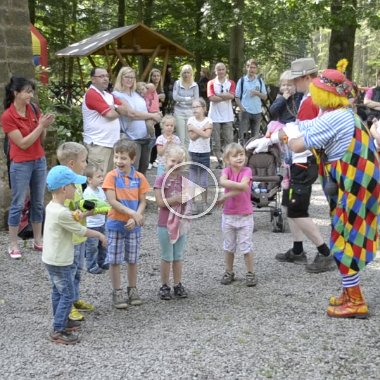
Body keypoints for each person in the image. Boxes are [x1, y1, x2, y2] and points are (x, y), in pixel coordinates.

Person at [285, 69, 380, 318]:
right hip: (356, 183)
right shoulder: (342, 113)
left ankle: (356, 300)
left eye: (316, 91)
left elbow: (297, 144)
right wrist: (292, 127)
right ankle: (349, 292)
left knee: (345, 235)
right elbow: (308, 125)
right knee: (344, 233)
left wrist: (280, 135)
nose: (312, 95)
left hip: (354, 186)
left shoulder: (336, 117)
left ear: (324, 94)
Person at [249, 58, 334, 274]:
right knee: (288, 206)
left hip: (304, 161)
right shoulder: (308, 97)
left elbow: (298, 132)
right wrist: (271, 138)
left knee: (296, 210)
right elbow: (295, 127)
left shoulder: (310, 100)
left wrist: (270, 140)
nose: (293, 84)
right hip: (298, 160)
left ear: (307, 77)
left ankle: (325, 253)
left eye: (296, 79)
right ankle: (298, 250)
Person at [43, 165, 106, 345]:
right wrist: (100, 235)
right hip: (61, 261)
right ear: (64, 188)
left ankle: (61, 320)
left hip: (51, 259)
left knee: (57, 291)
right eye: (73, 185)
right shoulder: (62, 213)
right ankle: (58, 330)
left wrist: (76, 213)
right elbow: (81, 230)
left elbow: (69, 218)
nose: (76, 189)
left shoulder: (53, 207)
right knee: (68, 294)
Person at [1, 76, 55, 259]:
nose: (30, 96)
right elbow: (23, 143)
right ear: (15, 93)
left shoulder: (33, 108)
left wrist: (44, 125)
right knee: (17, 204)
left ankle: (38, 240)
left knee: (38, 202)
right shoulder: (8, 116)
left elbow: (40, 139)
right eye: (27, 92)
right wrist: (41, 126)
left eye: (31, 92)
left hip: (39, 160)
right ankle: (13, 243)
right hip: (21, 163)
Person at [103, 139, 150, 309]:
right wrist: (133, 214)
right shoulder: (111, 176)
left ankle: (132, 289)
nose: (118, 161)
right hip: (115, 223)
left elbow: (143, 201)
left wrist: (136, 216)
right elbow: (111, 200)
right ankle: (117, 291)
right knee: (114, 260)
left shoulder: (140, 178)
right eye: (116, 157)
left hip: (133, 225)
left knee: (132, 259)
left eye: (123, 158)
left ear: (132, 159)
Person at [56, 142, 94, 322]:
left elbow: (76, 204)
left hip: (79, 237)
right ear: (72, 163)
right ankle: (68, 304)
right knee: (69, 273)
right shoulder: (64, 186)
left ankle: (75, 297)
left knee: (78, 270)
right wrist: (88, 212)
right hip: (69, 239)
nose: (86, 164)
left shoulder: (77, 182)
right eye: (84, 161)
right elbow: (68, 216)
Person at [82, 67, 135, 176]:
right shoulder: (92, 94)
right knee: (98, 181)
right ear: (93, 79)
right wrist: (117, 109)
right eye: (101, 76)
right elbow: (109, 115)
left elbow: (128, 110)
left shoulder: (108, 95)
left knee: (110, 181)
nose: (106, 79)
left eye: (106, 76)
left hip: (111, 144)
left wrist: (114, 107)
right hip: (98, 144)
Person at [217, 143, 257, 287]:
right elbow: (228, 183)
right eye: (235, 155)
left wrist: (225, 194)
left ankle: (250, 273)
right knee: (228, 246)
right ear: (227, 159)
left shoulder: (247, 170)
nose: (239, 158)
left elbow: (243, 187)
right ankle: (229, 271)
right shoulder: (226, 170)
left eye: (241, 154)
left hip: (245, 215)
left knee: (246, 246)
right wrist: (238, 185)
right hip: (228, 215)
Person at [154, 144, 190, 300]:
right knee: (167, 256)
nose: (175, 165)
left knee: (178, 255)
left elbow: (189, 201)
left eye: (179, 162)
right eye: (172, 161)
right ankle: (164, 285)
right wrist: (176, 199)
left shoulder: (184, 180)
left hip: (181, 223)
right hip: (165, 223)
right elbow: (160, 203)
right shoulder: (161, 179)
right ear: (165, 160)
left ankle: (177, 284)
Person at [112, 66, 161, 174]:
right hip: (132, 138)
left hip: (146, 137)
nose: (130, 79)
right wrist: (152, 115)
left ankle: (140, 191)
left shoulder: (137, 94)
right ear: (121, 78)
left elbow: (149, 107)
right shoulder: (117, 95)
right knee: (132, 171)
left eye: (132, 77)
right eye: (127, 77)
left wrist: (155, 116)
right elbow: (131, 114)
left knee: (142, 172)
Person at [207, 63, 236, 169]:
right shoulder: (211, 83)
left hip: (227, 116)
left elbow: (232, 96)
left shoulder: (231, 83)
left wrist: (218, 95)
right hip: (214, 116)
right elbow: (211, 98)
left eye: (223, 69)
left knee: (229, 139)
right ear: (215, 71)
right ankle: (219, 160)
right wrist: (225, 96)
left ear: (226, 70)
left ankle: (228, 160)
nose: (221, 71)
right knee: (216, 141)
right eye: (219, 70)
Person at [187, 98, 213, 214]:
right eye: (193, 107)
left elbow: (207, 135)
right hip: (193, 152)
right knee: (192, 180)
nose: (194, 109)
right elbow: (192, 137)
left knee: (203, 181)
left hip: (205, 153)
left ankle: (204, 203)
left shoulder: (209, 120)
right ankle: (191, 204)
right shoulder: (190, 120)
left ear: (204, 108)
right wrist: (202, 128)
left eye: (197, 107)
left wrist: (196, 129)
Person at [83, 163, 109, 274]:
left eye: (102, 176)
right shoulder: (88, 193)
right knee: (92, 246)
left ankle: (102, 261)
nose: (102, 179)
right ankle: (91, 265)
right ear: (89, 179)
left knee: (102, 244)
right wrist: (104, 209)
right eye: (98, 177)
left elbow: (105, 203)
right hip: (91, 225)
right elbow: (89, 210)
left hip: (101, 222)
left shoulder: (100, 190)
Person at [235, 59, 268, 144]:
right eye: (250, 67)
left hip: (257, 112)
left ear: (256, 69)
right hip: (245, 111)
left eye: (254, 68)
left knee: (255, 137)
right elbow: (236, 97)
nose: (252, 69)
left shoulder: (260, 81)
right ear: (247, 68)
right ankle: (242, 152)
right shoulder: (242, 80)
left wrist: (257, 93)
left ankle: (252, 155)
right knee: (243, 136)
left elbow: (265, 97)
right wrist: (242, 108)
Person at [173, 64, 199, 148]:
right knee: (181, 138)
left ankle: (187, 159)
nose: (186, 74)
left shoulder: (195, 85)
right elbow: (175, 97)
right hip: (179, 113)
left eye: (188, 72)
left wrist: (182, 100)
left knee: (188, 138)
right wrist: (188, 99)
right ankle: (181, 159)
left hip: (190, 113)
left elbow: (196, 100)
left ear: (191, 74)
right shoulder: (177, 83)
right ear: (181, 73)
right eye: (184, 72)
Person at [148, 68, 166, 169]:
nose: (156, 78)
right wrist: (158, 97)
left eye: (158, 76)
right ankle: (148, 159)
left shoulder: (162, 87)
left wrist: (158, 98)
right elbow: (149, 101)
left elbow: (163, 101)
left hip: (160, 115)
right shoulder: (148, 88)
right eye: (154, 76)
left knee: (158, 137)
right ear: (151, 77)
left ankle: (153, 159)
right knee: (150, 136)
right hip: (150, 115)